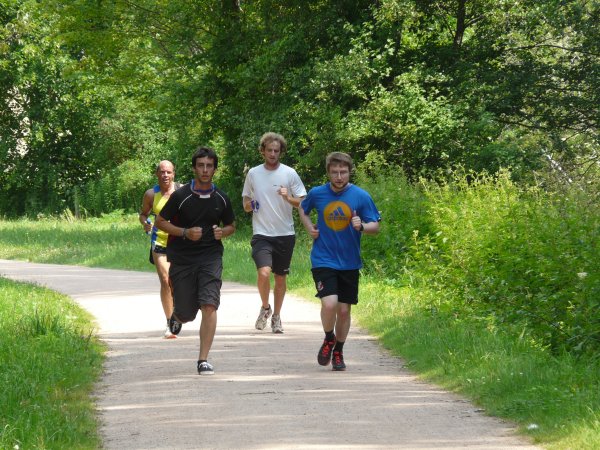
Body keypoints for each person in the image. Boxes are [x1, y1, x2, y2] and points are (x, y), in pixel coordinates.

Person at [155, 147, 235, 375]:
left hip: (210, 256)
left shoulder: (221, 197)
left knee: (209, 304)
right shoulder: (180, 196)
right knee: (188, 312)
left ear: (215, 169)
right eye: (201, 165)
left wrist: (224, 232)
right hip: (182, 258)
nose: (205, 170)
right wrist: (184, 232)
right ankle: (176, 316)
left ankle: (203, 359)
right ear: (194, 168)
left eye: (209, 166)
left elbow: (231, 225)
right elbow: (161, 221)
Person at [299, 152, 381, 371]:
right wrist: (309, 227)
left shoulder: (361, 196)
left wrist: (362, 226)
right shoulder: (317, 193)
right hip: (323, 258)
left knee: (344, 311)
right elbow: (302, 208)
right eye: (334, 172)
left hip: (349, 262)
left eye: (343, 172)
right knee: (329, 303)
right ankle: (328, 337)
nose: (338, 176)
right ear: (328, 173)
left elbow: (376, 226)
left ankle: (339, 350)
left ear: (349, 172)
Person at [242, 132, 307, 333]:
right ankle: (265, 307)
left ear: (281, 152)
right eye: (269, 150)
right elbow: (245, 204)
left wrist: (289, 198)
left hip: (285, 234)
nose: (272, 154)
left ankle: (277, 316)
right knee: (263, 272)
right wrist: (251, 204)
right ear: (262, 151)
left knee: (280, 278)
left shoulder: (289, 173)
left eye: (276, 151)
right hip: (261, 233)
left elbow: (304, 202)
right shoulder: (253, 173)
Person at [139, 160, 180, 339]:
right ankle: (170, 322)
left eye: (168, 172)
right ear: (157, 174)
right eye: (162, 172)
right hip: (159, 241)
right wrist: (145, 223)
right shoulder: (150, 194)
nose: (165, 175)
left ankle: (179, 311)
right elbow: (143, 214)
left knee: (177, 283)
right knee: (165, 279)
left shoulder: (182, 191)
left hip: (180, 241)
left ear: (173, 174)